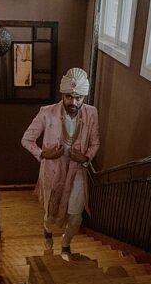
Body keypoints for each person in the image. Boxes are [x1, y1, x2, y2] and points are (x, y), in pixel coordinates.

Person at [21, 68, 100, 257]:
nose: (74, 102)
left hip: (77, 171)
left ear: (84, 97)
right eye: (69, 97)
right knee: (51, 213)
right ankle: (47, 230)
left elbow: (95, 142)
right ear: (62, 94)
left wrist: (87, 157)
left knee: (76, 216)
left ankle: (66, 242)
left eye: (79, 98)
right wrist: (43, 154)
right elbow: (26, 139)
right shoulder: (46, 113)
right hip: (53, 172)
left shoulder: (92, 113)